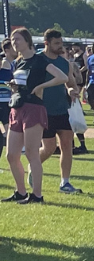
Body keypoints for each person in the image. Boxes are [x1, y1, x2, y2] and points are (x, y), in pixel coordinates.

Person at [5, 28, 69, 204]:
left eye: (17, 39)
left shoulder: (39, 60)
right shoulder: (18, 62)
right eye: (12, 40)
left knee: (32, 153)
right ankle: (20, 192)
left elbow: (62, 77)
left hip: (34, 108)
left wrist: (42, 86)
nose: (14, 43)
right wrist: (14, 86)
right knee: (11, 155)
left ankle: (37, 195)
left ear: (27, 41)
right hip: (17, 107)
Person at [36, 30, 83, 194]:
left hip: (62, 109)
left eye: (61, 43)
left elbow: (71, 83)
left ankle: (65, 182)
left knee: (67, 145)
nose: (60, 47)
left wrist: (72, 91)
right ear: (46, 43)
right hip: (42, 110)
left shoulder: (64, 63)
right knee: (48, 148)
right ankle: (33, 166)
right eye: (56, 43)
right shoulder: (37, 60)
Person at [0, 39, 15, 165]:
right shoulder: (5, 63)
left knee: (8, 125)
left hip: (7, 99)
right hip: (3, 100)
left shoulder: (12, 63)